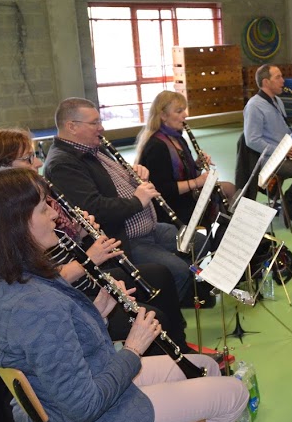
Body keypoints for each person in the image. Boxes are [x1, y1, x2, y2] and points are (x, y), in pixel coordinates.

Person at [0, 167, 247, 422]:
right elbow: (85, 406)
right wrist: (133, 348)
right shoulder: (34, 306)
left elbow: (48, 354)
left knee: (206, 369)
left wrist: (96, 317)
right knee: (233, 393)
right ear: (12, 225)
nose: (54, 214)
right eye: (42, 209)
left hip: (49, 411)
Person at [0, 127, 190, 355]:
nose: (37, 164)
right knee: (154, 317)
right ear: (2, 166)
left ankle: (180, 350)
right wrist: (90, 260)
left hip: (79, 282)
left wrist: (79, 234)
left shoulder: (24, 203)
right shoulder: (7, 219)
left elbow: (57, 251)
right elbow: (42, 280)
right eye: (29, 158)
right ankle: (163, 368)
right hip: (70, 294)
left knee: (159, 274)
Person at [43, 98, 196, 302]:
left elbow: (112, 183)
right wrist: (137, 200)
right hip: (125, 239)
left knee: (198, 242)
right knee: (177, 270)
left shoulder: (92, 147)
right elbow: (94, 208)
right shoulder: (63, 164)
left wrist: (133, 174)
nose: (101, 127)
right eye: (95, 123)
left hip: (150, 227)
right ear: (72, 127)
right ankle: (166, 318)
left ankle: (194, 296)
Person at [134, 90, 236, 226]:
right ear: (163, 116)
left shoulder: (177, 138)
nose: (185, 115)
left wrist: (198, 164)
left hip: (186, 196)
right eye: (179, 111)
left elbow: (183, 172)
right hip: (173, 206)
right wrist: (198, 182)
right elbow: (163, 189)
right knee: (228, 190)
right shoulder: (156, 146)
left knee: (229, 189)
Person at [242, 64, 292, 223]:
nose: (283, 80)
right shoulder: (254, 106)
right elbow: (252, 140)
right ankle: (290, 205)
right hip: (270, 159)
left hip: (285, 154)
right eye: (278, 77)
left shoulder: (277, 100)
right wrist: (282, 151)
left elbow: (281, 131)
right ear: (266, 82)